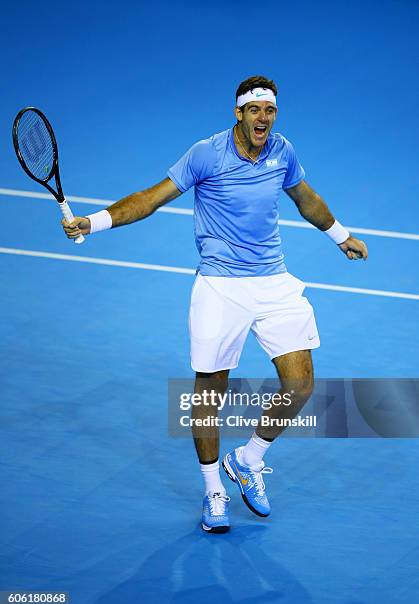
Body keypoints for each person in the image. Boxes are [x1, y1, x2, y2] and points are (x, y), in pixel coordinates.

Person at [63, 75, 368, 534]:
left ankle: (248, 459)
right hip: (220, 286)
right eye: (255, 110)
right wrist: (95, 222)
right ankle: (213, 490)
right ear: (238, 113)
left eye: (270, 110)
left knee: (301, 386)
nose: (264, 118)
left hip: (273, 281)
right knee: (209, 394)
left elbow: (307, 200)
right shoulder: (206, 153)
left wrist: (341, 237)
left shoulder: (282, 151)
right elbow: (150, 199)